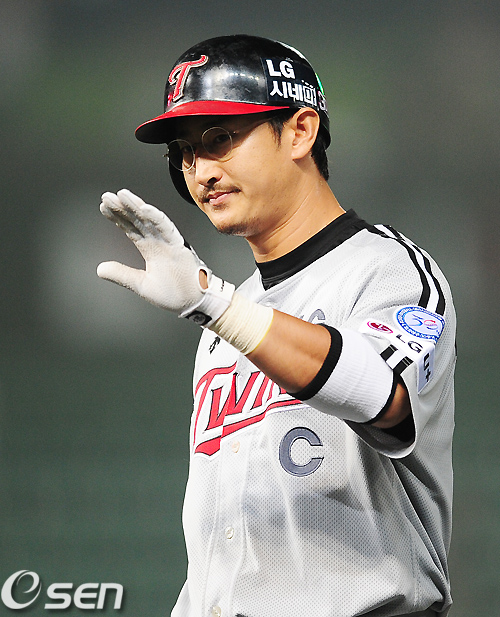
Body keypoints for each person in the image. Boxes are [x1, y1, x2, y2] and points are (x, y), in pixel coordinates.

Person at [97, 35, 455, 617]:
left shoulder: (387, 269)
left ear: (300, 132)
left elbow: (383, 397)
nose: (200, 170)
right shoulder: (225, 318)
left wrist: (214, 304)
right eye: (185, 152)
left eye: (219, 138)